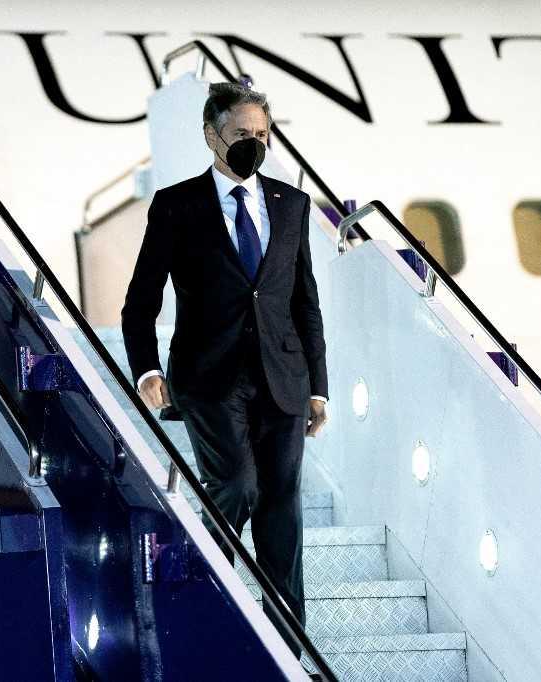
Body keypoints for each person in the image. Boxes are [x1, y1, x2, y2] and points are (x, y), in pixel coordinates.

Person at [121, 82, 329, 657]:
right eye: (242, 135)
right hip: (209, 379)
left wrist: (319, 388)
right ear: (211, 135)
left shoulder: (293, 205)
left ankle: (289, 645)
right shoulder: (177, 204)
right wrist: (146, 371)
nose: (253, 145)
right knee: (237, 485)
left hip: (282, 379)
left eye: (262, 135)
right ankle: (190, 588)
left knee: (281, 508)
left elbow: (303, 302)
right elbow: (140, 302)